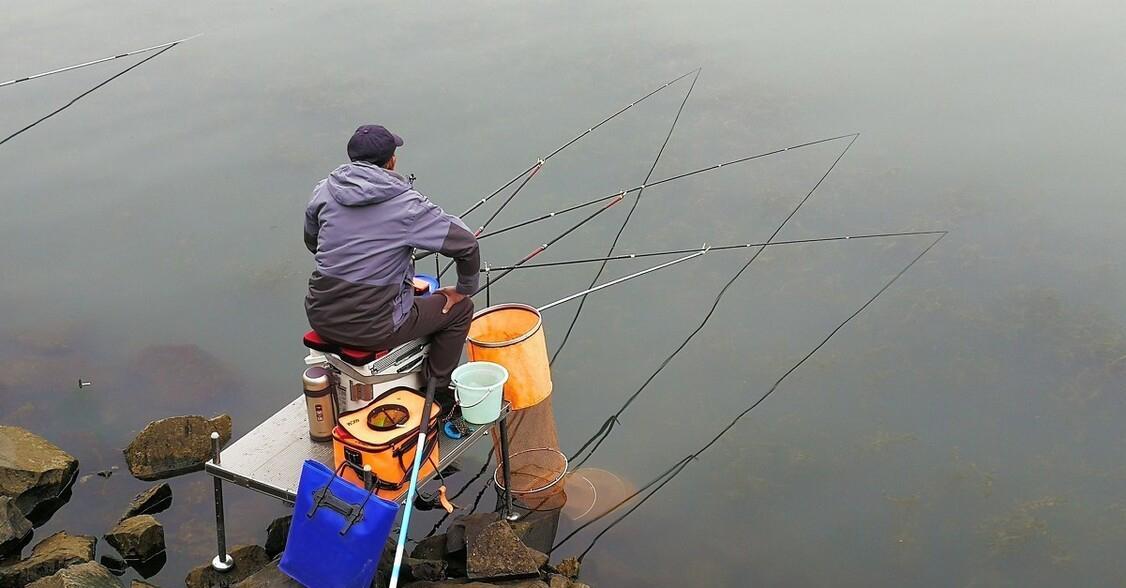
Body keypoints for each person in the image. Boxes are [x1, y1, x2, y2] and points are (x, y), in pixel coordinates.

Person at [304, 124, 479, 394]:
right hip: (374, 330)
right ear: (392, 161)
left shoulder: (323, 190)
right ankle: (438, 394)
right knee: (460, 309)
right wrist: (463, 290)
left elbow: (313, 243)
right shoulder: (407, 205)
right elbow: (466, 245)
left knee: (414, 294)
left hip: (320, 315)